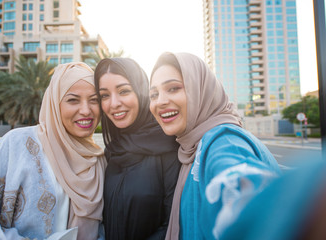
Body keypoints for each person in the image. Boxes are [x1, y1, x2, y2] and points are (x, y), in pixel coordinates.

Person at [149, 52, 282, 240]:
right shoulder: (192, 147)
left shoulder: (223, 141)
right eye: (153, 94)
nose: (160, 101)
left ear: (200, 91)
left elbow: (250, 199)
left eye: (173, 88)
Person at [0, 62, 107, 240]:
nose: (86, 110)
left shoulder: (97, 160)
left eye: (94, 100)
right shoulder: (17, 145)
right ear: (55, 104)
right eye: (73, 100)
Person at [94, 58, 180, 240]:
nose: (114, 103)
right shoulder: (112, 151)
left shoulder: (168, 146)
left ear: (141, 91)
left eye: (124, 91)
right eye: (104, 95)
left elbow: (173, 223)